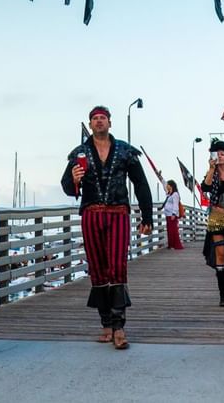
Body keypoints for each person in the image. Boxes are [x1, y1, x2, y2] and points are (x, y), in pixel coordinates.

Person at [61, 105, 153, 349]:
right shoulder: (79, 153)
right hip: (91, 213)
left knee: (117, 267)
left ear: (110, 123)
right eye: (95, 119)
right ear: (90, 124)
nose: (99, 122)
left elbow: (141, 184)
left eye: (103, 118)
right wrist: (74, 179)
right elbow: (67, 187)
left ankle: (119, 326)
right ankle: (106, 324)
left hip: (117, 213)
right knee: (98, 269)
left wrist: (147, 217)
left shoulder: (124, 151)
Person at [201, 138, 224, 307]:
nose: (220, 157)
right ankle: (223, 295)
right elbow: (206, 187)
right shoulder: (213, 173)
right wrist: (211, 168)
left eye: (223, 154)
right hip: (216, 217)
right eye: (217, 154)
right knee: (221, 254)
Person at [162, 180, 184, 250]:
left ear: (171, 185)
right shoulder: (169, 194)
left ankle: (176, 245)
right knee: (169, 230)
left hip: (172, 215)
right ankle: (171, 245)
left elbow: (175, 205)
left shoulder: (175, 194)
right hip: (168, 214)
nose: (166, 186)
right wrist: (160, 177)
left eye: (168, 185)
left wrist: (174, 213)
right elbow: (164, 185)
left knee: (173, 230)